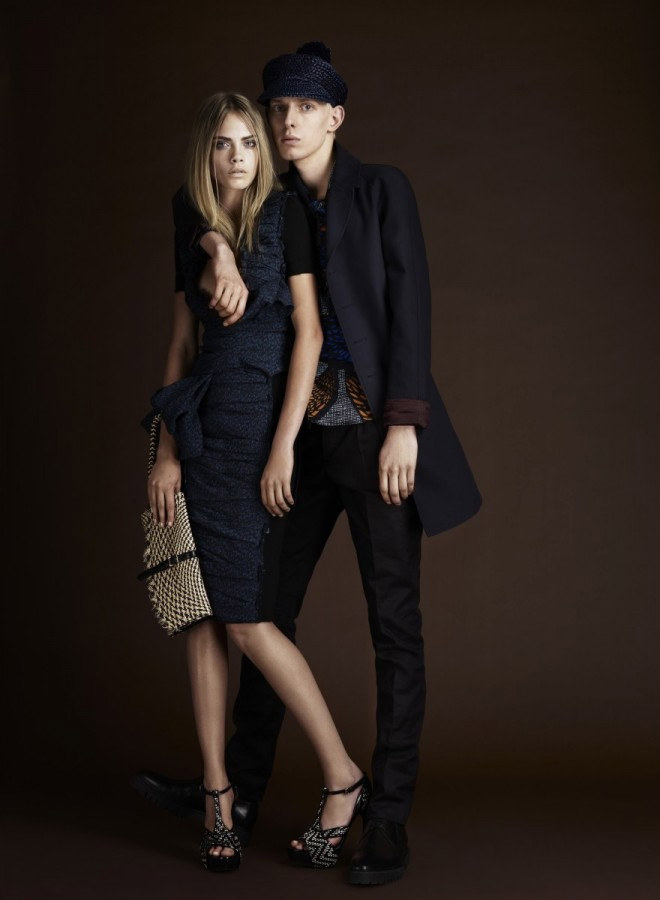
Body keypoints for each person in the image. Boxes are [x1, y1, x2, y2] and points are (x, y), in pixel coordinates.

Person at [133, 44, 481, 885]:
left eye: (304, 108)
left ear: (335, 117)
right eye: (276, 108)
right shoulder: (267, 197)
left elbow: (410, 308)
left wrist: (405, 424)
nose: (286, 121)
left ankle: (382, 816)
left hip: (369, 430)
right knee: (262, 608)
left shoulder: (379, 189)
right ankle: (238, 790)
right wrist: (213, 249)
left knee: (392, 624)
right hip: (289, 441)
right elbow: (197, 212)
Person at [143, 90, 371, 873]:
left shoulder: (286, 215)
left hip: (257, 431)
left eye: (249, 141)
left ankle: (342, 774)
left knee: (245, 619)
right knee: (200, 618)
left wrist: (284, 448)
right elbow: (180, 346)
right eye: (223, 144)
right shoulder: (191, 221)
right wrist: (165, 452)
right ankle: (217, 793)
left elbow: (307, 334)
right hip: (199, 426)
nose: (239, 155)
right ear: (204, 154)